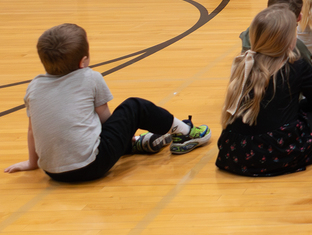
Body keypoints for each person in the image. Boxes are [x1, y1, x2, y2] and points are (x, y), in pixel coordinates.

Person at [5, 23, 211, 181]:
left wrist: (33, 163)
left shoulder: (34, 86)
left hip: (53, 172)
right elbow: (105, 119)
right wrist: (123, 134)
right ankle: (185, 133)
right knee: (134, 107)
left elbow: (33, 131)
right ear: (82, 61)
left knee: (84, 122)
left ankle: (138, 145)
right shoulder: (89, 77)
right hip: (92, 165)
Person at [217, 8, 312, 177]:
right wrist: (298, 106)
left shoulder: (244, 62)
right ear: (290, 41)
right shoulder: (296, 64)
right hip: (277, 150)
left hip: (234, 152)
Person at [240, 0, 312, 82]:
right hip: (283, 87)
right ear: (299, 17)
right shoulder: (295, 46)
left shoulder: (251, 31)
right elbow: (309, 70)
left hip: (254, 82)